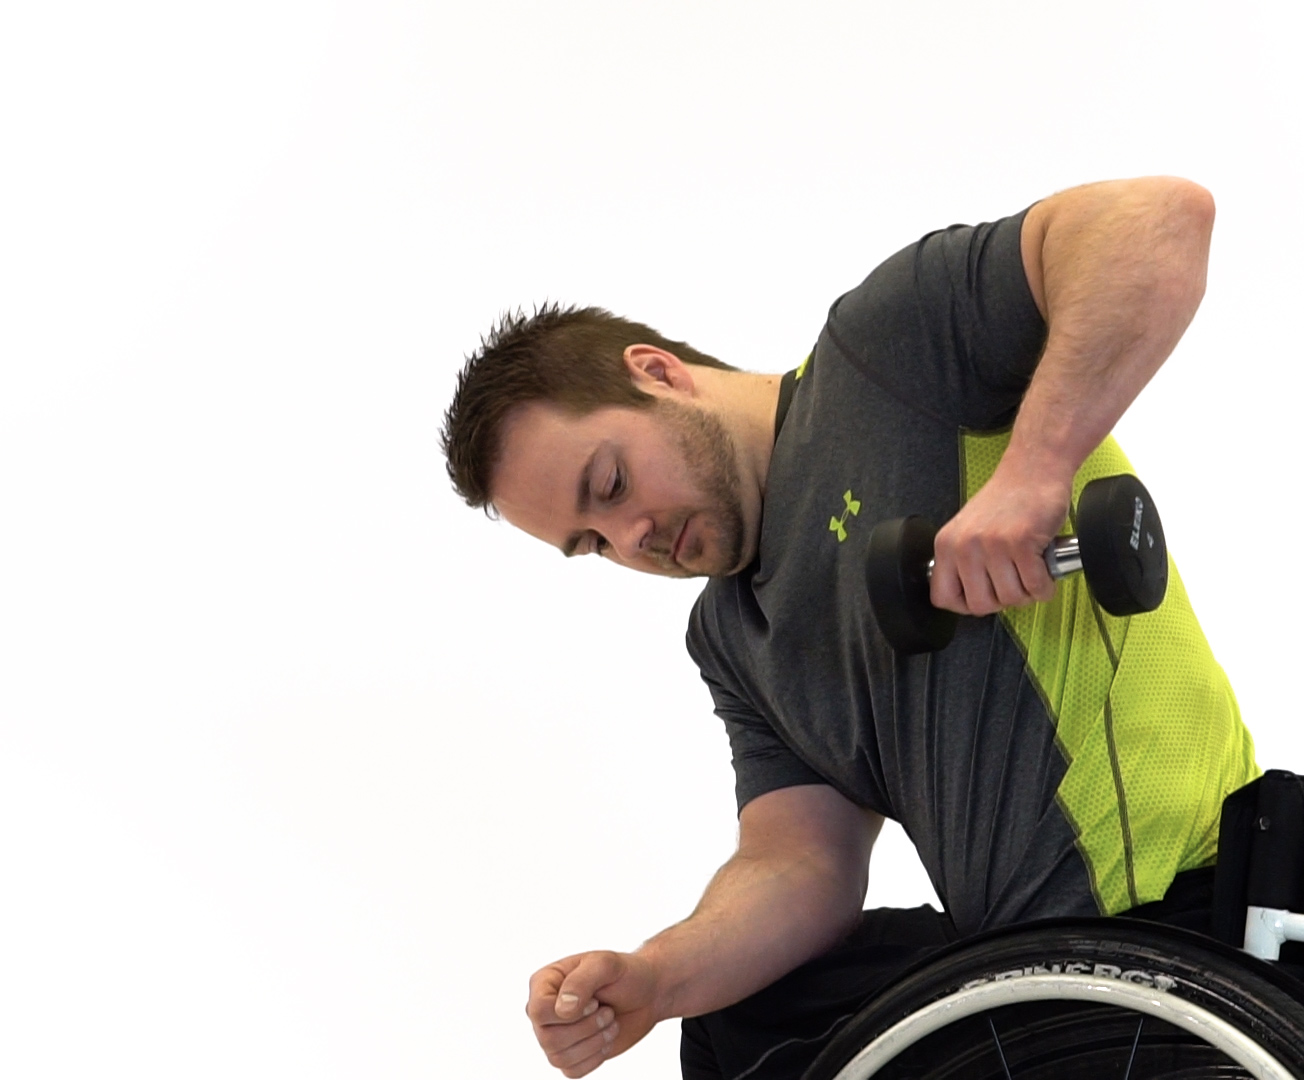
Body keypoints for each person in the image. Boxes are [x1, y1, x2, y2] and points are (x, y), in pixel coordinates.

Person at [439, 177, 1259, 1079]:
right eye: (592, 543)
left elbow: (1157, 220)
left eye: (612, 484)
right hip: (1028, 983)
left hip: (1188, 917)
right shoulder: (733, 638)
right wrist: (655, 978)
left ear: (657, 374)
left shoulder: (888, 353)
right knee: (739, 1025)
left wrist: (1033, 473)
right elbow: (803, 863)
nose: (630, 538)